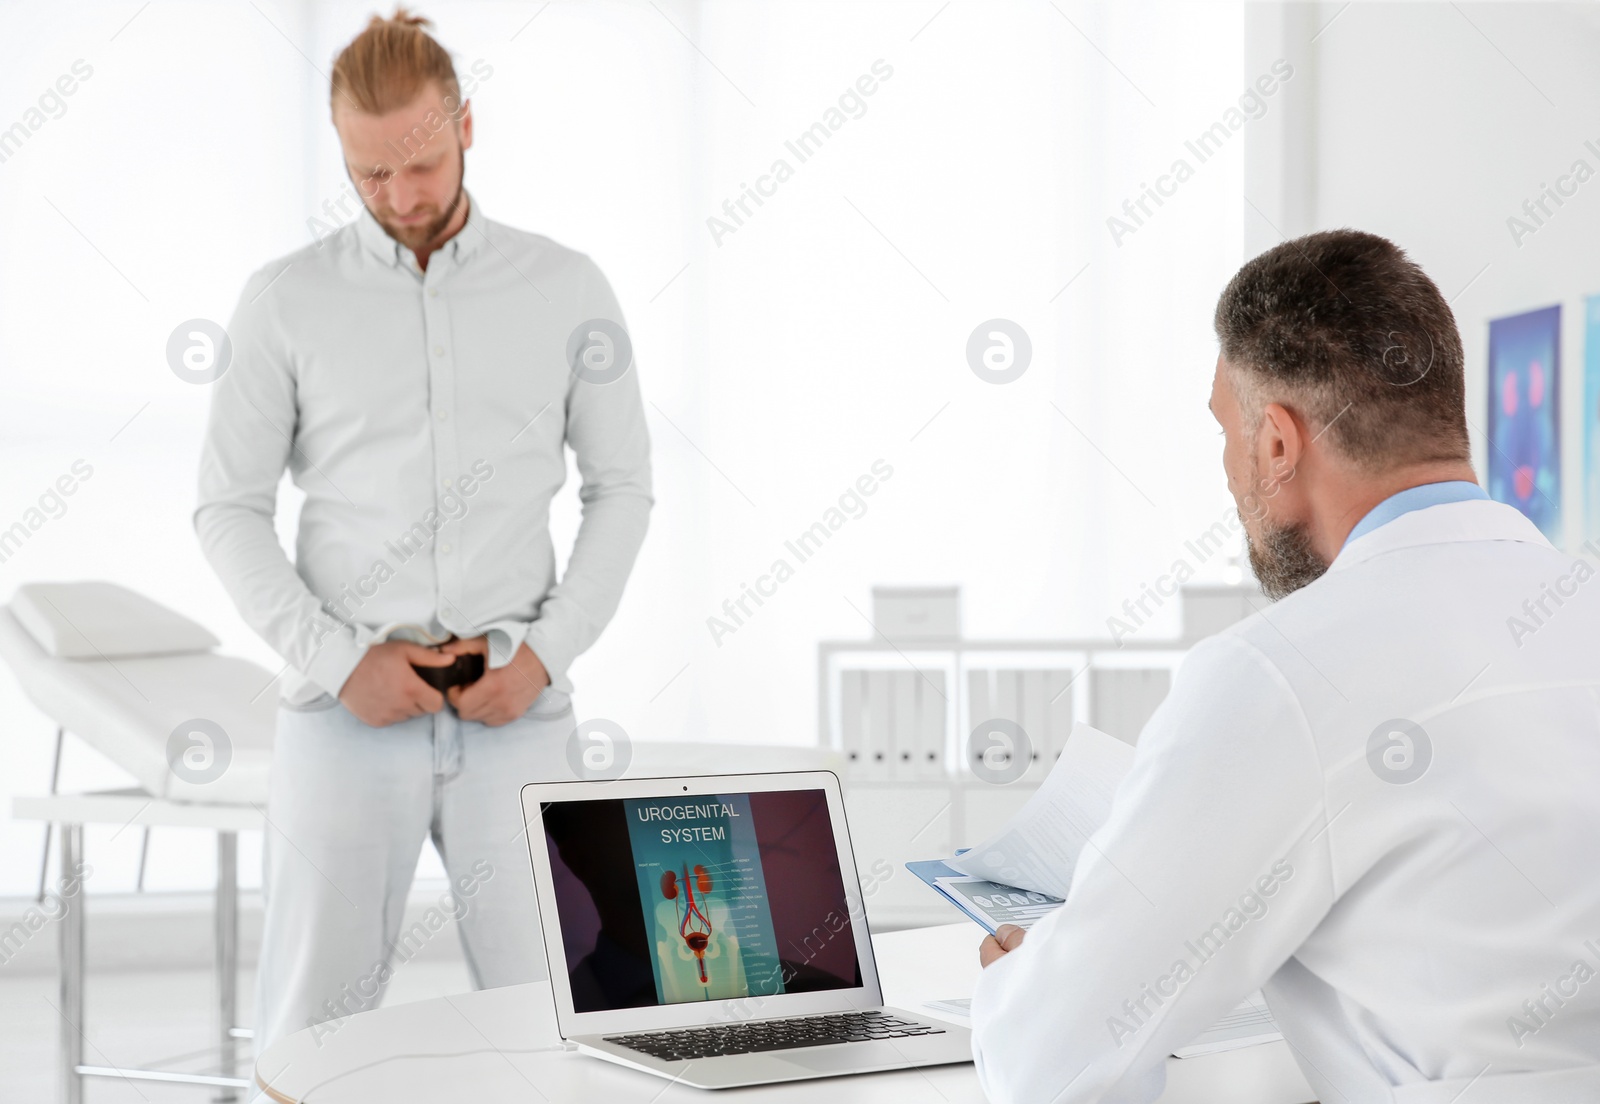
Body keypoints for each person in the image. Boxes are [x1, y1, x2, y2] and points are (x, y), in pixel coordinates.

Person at [971, 229, 1600, 1102]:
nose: (1231, 477)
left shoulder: (1282, 672)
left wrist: (1031, 979)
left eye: (1227, 435)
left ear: (1277, 442)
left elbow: (1057, 1059)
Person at [194, 8, 651, 1050]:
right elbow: (226, 507)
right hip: (346, 719)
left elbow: (623, 484)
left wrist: (542, 657)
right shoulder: (284, 303)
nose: (400, 198)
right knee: (312, 1035)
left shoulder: (567, 288)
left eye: (422, 164)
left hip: (516, 715)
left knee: (571, 1025)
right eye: (368, 176)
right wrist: (337, 659)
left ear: (466, 127)